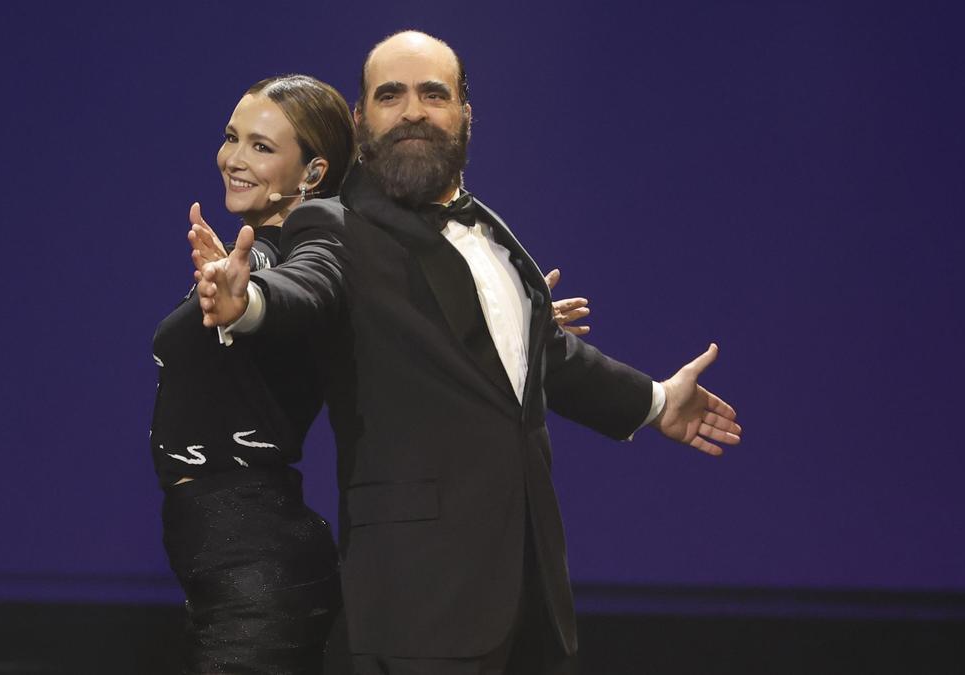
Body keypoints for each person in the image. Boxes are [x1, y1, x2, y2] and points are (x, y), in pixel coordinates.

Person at [192, 31, 742, 675]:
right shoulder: (336, 226)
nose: (414, 111)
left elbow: (544, 358)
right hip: (418, 600)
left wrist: (654, 403)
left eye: (434, 94)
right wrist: (250, 302)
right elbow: (307, 284)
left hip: (531, 588)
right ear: (360, 119)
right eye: (390, 95)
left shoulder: (494, 236)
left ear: (464, 114)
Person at [150, 74, 354, 675]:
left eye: (262, 147)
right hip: (232, 562)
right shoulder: (253, 251)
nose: (234, 160)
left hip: (258, 569)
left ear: (313, 173)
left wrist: (249, 300)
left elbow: (303, 285)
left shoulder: (307, 239)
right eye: (232, 137)